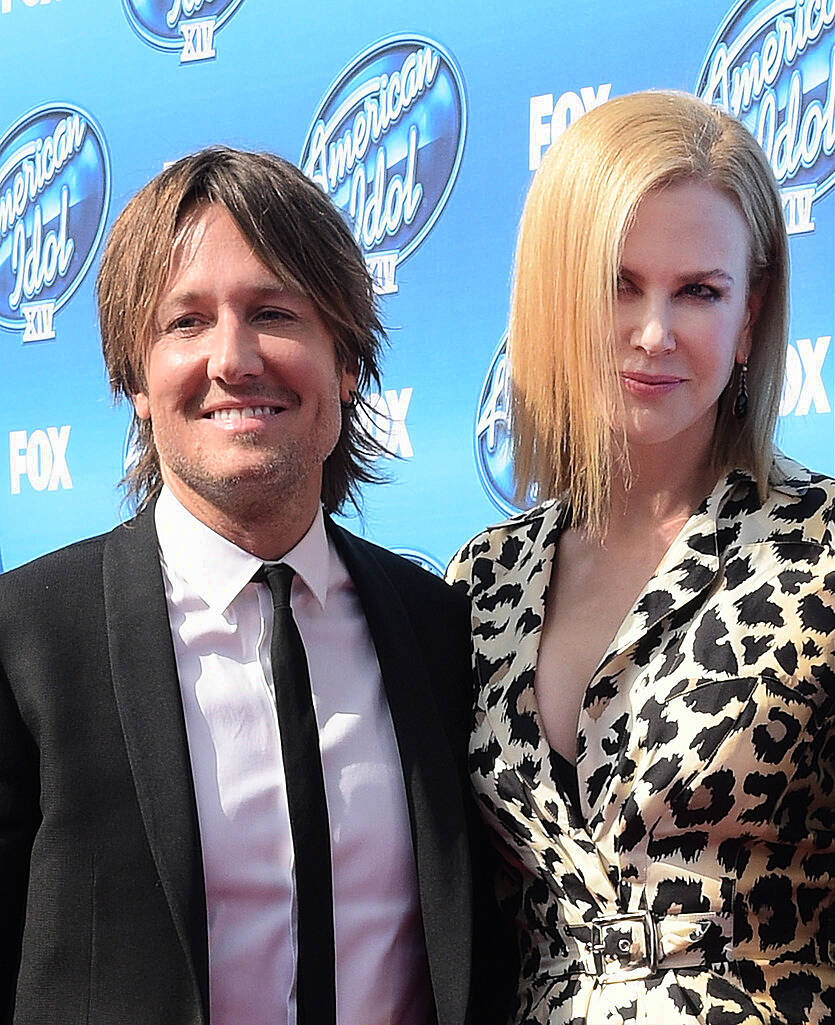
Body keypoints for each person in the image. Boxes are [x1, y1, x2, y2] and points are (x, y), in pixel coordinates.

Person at [0, 147, 508, 1025]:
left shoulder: (443, 633)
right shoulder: (24, 639)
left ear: (347, 362)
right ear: (133, 380)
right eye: (186, 322)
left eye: (273, 312)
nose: (233, 360)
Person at [448, 91, 835, 1024]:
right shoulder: (482, 579)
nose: (654, 332)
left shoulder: (822, 549)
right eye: (618, 285)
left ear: (748, 320)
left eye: (698, 291)